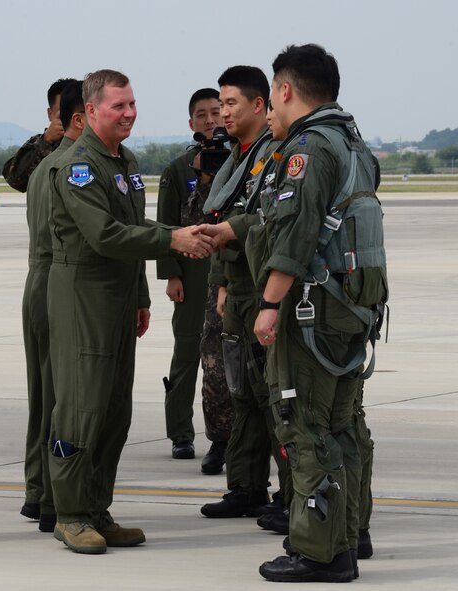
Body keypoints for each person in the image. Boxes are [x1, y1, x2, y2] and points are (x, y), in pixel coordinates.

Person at [46, 69, 215, 555]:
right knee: (82, 407)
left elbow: (129, 227)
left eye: (132, 104)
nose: (128, 113)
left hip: (118, 296)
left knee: (115, 410)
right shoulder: (78, 167)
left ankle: (97, 508)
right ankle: (70, 513)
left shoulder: (125, 160)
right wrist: (172, 239)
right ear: (91, 110)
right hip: (84, 298)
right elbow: (104, 234)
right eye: (118, 106)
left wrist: (140, 297)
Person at [247, 43, 385, 582]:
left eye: (272, 95)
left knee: (304, 426)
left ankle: (321, 554)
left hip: (312, 312)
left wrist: (268, 303)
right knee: (343, 426)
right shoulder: (354, 144)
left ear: (285, 90)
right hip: (353, 309)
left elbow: (296, 235)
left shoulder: (307, 149)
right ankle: (349, 535)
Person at [199, 66, 290, 520]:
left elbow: (272, 219)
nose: (223, 113)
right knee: (242, 392)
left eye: (231, 103)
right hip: (237, 288)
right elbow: (223, 218)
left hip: (261, 288)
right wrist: (219, 283)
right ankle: (246, 487)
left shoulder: (276, 153)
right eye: (220, 104)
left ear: (259, 105)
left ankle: (291, 494)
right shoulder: (238, 157)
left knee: (273, 394)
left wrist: (231, 231)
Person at [156, 88, 233, 473]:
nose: (210, 120)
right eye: (201, 114)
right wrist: (171, 274)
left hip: (229, 272)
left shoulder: (241, 161)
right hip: (191, 272)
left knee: (229, 357)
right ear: (191, 122)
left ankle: (233, 435)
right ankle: (180, 433)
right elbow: (165, 224)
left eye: (216, 112)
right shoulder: (179, 169)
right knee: (187, 352)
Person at [20, 80, 85, 530]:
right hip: (59, 283)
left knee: (43, 393)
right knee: (63, 395)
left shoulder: (46, 166)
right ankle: (51, 495)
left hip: (40, 280)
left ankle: (39, 490)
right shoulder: (71, 167)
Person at [3, 78, 77, 192]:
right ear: (50, 114)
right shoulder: (40, 144)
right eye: (63, 116)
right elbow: (15, 180)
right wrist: (46, 141)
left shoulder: (92, 143)